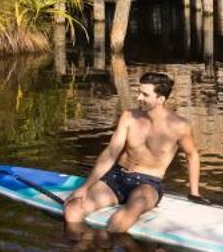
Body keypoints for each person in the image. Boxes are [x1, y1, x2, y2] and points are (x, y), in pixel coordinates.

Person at [62, 70, 199, 233]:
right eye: (139, 92)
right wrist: (85, 187)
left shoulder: (179, 126)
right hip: (117, 176)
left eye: (145, 95)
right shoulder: (128, 117)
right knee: (73, 210)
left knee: (124, 217)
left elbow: (192, 155)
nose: (139, 98)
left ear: (160, 99)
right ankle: (86, 244)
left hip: (148, 184)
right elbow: (110, 154)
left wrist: (194, 193)